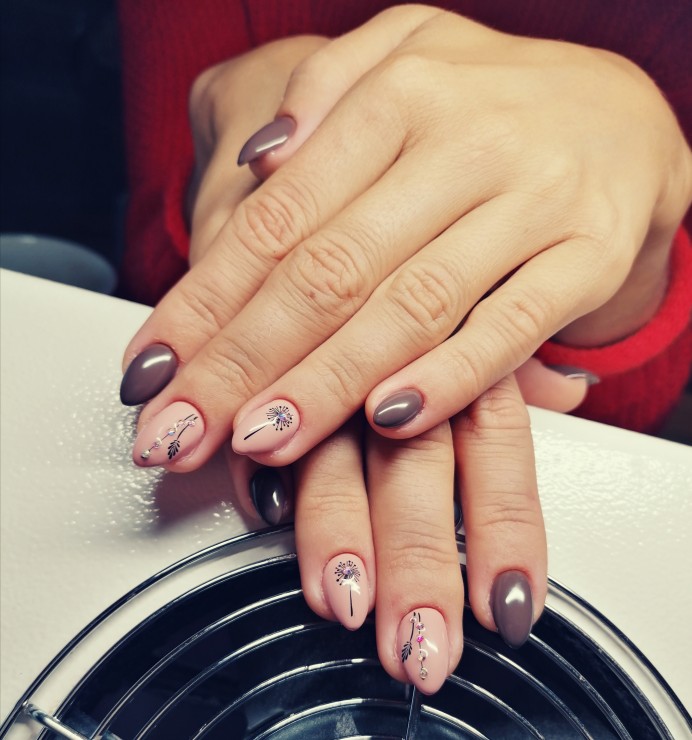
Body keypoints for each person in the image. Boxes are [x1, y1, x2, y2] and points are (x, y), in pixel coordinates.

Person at [116, 2, 692, 694]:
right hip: (198, 558)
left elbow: (631, 428)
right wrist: (230, 102)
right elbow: (146, 261)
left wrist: (646, 197)